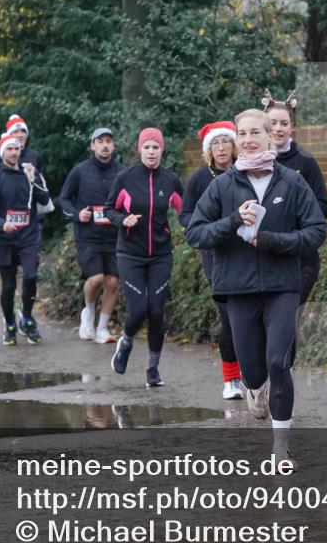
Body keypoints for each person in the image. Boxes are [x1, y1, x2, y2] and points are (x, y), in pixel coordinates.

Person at [186, 109, 327, 469]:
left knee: (279, 362)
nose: (248, 139)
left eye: (255, 133)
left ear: (270, 137)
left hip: (283, 286)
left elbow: (316, 231)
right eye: (242, 133)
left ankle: (281, 446)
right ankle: (252, 385)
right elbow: (195, 233)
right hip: (239, 287)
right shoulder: (222, 185)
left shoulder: (292, 182)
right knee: (253, 368)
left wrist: (273, 241)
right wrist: (233, 221)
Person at [104, 128, 184, 387]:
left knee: (157, 311)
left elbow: (187, 211)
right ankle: (126, 341)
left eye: (156, 147)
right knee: (139, 309)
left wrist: (195, 228)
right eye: (147, 147)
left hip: (161, 255)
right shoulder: (125, 178)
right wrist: (122, 219)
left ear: (162, 150)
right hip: (130, 253)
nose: (151, 152)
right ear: (140, 150)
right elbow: (108, 209)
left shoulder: (170, 180)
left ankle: (153, 369)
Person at [262, 91, 327, 372]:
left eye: (283, 124)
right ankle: (260, 372)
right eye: (272, 124)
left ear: (292, 127)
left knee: (286, 317)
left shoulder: (305, 162)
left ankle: (283, 372)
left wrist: (296, 221)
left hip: (299, 258)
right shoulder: (248, 163)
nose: (278, 129)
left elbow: (323, 205)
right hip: (260, 257)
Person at [179, 121, 244, 400]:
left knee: (248, 320)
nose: (221, 148)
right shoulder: (199, 179)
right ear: (209, 150)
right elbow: (185, 215)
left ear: (234, 146)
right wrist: (202, 227)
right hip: (215, 258)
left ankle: (254, 374)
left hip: (247, 254)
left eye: (225, 142)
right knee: (229, 319)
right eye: (215, 143)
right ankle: (231, 379)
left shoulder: (246, 173)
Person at [0, 132, 51, 345]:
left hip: (28, 237)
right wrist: (3, 223)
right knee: (8, 285)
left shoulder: (29, 174)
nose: (14, 152)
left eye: (16, 149)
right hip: (4, 239)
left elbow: (45, 199)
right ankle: (10, 323)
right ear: (3, 153)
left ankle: (27, 316)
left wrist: (35, 178)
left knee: (30, 276)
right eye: (9, 149)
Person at [59, 127, 125, 344]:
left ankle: (102, 328)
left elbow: (131, 200)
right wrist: (78, 214)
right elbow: (64, 200)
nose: (105, 145)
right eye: (100, 141)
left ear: (113, 146)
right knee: (96, 279)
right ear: (92, 145)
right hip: (88, 236)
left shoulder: (122, 172)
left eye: (109, 141)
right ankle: (88, 313)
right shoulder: (80, 171)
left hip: (115, 236)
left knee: (113, 281)